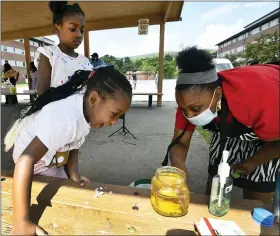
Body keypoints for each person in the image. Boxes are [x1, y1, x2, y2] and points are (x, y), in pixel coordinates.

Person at [4, 66, 132, 235]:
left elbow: (74, 145)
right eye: (115, 114)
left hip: (50, 159)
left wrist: (73, 173)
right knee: (68, 210)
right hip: (33, 163)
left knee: (78, 190)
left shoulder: (86, 111)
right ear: (94, 98)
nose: (115, 122)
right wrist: (21, 222)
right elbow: (25, 161)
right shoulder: (65, 120)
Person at [163, 47, 279, 204]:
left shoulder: (260, 99)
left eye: (195, 109)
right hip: (229, 126)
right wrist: (179, 166)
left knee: (256, 196)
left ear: (217, 94)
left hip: (273, 132)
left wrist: (254, 161)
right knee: (216, 188)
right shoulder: (189, 100)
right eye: (184, 109)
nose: (189, 116)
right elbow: (180, 142)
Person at [35, 1, 92, 95]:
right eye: (73, 29)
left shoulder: (85, 62)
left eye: (82, 30)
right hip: (53, 109)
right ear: (57, 29)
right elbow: (42, 96)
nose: (79, 34)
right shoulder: (49, 55)